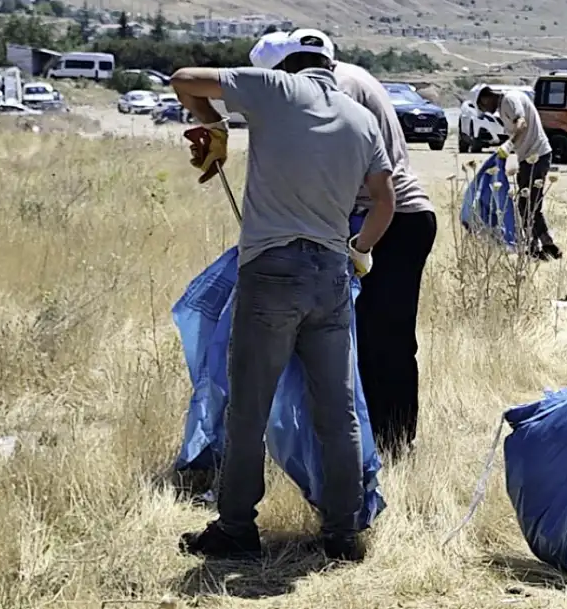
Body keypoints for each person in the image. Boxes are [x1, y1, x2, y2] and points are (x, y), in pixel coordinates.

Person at [170, 28, 396, 562]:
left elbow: (183, 81)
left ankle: (236, 529)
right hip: (332, 275)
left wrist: (214, 125)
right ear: (331, 67)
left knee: (248, 406)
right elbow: (384, 201)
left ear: (289, 65)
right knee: (337, 411)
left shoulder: (275, 88)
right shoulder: (361, 118)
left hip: (272, 271)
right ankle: (343, 532)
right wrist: (358, 247)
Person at [250, 30, 437, 458]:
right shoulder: (337, 79)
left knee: (384, 338)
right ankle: (373, 441)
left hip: (394, 221)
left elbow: (335, 166)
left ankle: (394, 443)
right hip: (374, 218)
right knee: (363, 338)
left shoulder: (338, 89)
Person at [475, 85, 561, 260]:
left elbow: (521, 123)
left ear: (486, 97)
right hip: (529, 157)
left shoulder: (509, 100)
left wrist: (509, 144)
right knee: (526, 203)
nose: (486, 111)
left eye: (482, 106)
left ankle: (547, 245)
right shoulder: (505, 105)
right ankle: (535, 245)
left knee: (529, 203)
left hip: (537, 155)